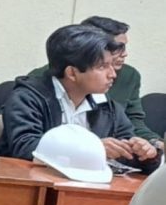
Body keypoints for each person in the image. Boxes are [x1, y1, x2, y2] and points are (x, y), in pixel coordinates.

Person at [0, 24, 159, 205]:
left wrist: (146, 152)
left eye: (112, 65)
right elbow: (24, 147)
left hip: (85, 202)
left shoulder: (105, 104)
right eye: (103, 67)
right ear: (72, 72)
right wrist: (95, 147)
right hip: (27, 204)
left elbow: (127, 145)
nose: (113, 74)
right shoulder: (29, 96)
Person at [29, 16, 159, 142]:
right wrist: (95, 147)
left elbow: (132, 126)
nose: (125, 54)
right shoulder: (36, 87)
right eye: (118, 47)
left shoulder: (117, 92)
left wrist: (152, 146)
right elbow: (29, 144)